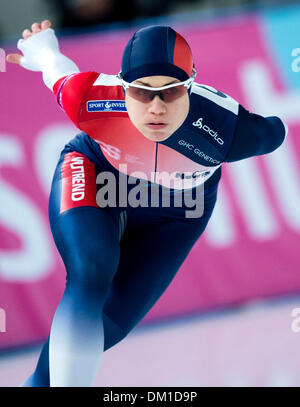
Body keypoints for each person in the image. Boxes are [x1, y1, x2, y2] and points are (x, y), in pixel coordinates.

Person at [7, 20, 287, 387]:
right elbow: (57, 69)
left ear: (191, 86)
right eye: (141, 93)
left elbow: (275, 130)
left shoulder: (229, 129)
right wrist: (44, 50)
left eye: (170, 92)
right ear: (122, 87)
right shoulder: (90, 98)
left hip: (177, 214)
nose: (156, 108)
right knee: (91, 271)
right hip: (96, 175)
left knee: (108, 326)